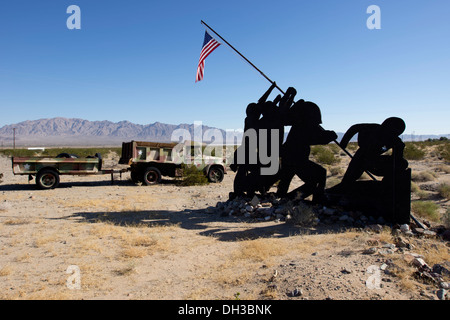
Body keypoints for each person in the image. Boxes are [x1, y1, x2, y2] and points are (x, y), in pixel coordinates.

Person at [276, 100, 337, 203]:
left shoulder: (299, 125)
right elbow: (319, 138)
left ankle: (284, 197)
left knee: (286, 179)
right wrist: (331, 135)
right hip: (297, 159)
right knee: (320, 174)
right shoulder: (305, 126)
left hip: (288, 156)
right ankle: (312, 198)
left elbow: (318, 135)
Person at [336, 117, 408, 188]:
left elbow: (397, 159)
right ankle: (344, 186)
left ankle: (387, 185)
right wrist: (344, 142)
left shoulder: (396, 141)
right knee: (349, 178)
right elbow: (354, 128)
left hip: (374, 160)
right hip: (362, 156)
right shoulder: (372, 128)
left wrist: (399, 149)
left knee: (402, 163)